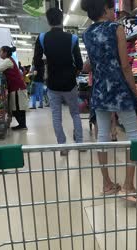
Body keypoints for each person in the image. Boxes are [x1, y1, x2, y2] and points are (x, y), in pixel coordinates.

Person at [82, 0, 137, 204]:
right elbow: (126, 66)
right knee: (133, 134)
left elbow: (89, 66)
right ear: (105, 9)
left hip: (100, 89)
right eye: (112, 9)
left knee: (102, 135)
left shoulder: (87, 33)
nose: (115, 13)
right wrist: (135, 94)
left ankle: (107, 184)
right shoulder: (117, 29)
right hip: (119, 88)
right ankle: (128, 186)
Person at [33, 7, 84, 155]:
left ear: (48, 21)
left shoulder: (42, 38)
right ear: (62, 20)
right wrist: (73, 73)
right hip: (70, 83)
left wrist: (45, 73)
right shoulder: (73, 39)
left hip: (53, 84)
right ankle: (80, 144)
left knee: (56, 116)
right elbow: (80, 64)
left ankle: (62, 147)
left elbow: (37, 61)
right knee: (75, 113)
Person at [0, 46, 28, 130]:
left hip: (17, 88)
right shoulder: (9, 60)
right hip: (17, 87)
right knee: (17, 107)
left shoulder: (8, 61)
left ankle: (22, 125)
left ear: (5, 53)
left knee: (18, 107)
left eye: (0, 51)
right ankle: (22, 125)